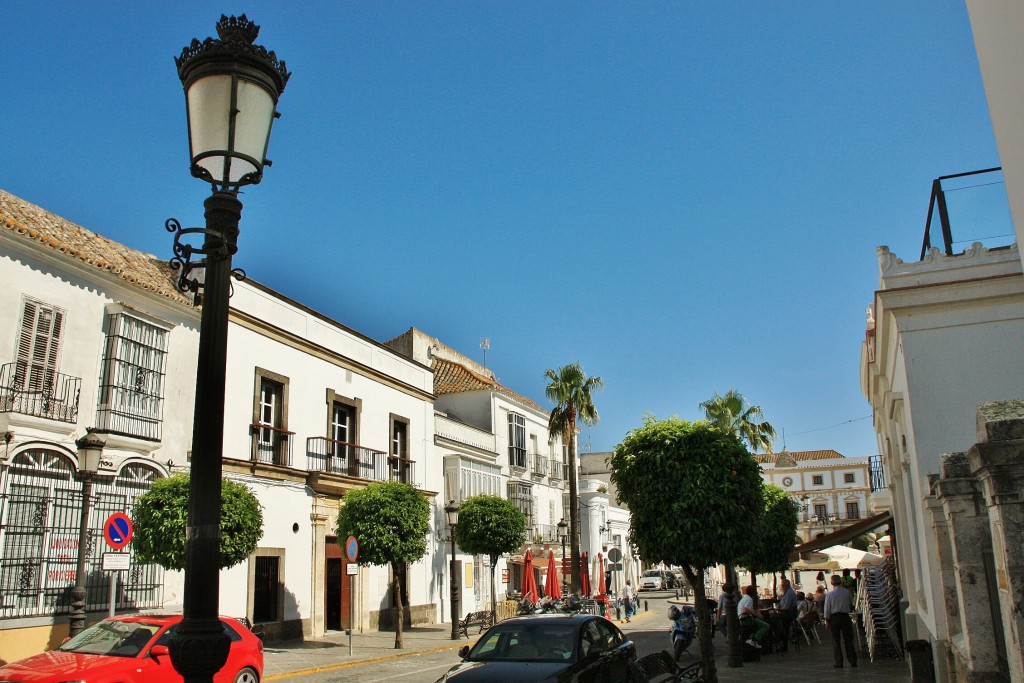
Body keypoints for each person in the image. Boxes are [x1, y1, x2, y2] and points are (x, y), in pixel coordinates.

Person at [824, 574, 858, 668]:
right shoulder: (847, 592)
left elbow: (827, 609)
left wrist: (827, 620)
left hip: (834, 618)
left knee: (836, 640)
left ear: (832, 583)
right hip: (845, 616)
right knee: (848, 640)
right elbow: (851, 604)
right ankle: (852, 660)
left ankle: (839, 662)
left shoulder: (830, 594)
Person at [738, 584, 770, 649]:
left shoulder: (744, 598)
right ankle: (754, 640)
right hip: (746, 619)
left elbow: (747, 609)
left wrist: (755, 612)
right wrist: (756, 615)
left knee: (758, 626)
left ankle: (751, 639)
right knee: (766, 626)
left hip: (741, 619)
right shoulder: (749, 599)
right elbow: (746, 609)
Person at [777, 578, 798, 652]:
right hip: (788, 612)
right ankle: (781, 641)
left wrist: (778, 610)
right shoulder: (786, 592)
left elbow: (786, 607)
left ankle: (782, 643)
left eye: (782, 585)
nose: (781, 586)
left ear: (785, 585)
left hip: (788, 613)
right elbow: (782, 604)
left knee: (777, 623)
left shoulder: (789, 593)